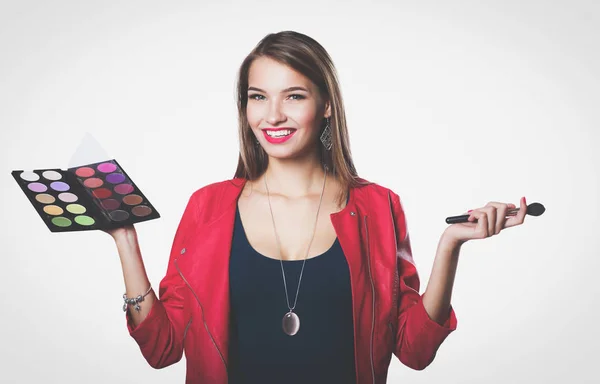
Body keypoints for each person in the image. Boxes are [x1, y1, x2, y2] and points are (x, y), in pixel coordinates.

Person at [107, 31, 528, 384]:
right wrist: (125, 237)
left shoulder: (377, 206)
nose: (273, 116)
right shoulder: (208, 206)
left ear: (326, 105)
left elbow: (415, 350)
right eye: (258, 97)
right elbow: (162, 348)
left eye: (293, 96)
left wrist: (450, 244)